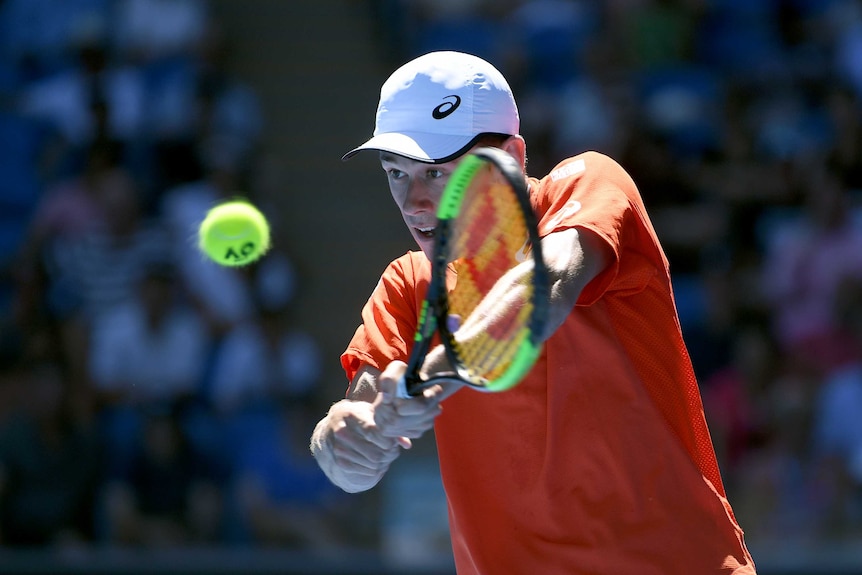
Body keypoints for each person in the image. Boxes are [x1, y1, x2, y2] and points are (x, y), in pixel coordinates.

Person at [309, 51, 756, 574]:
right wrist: (344, 441)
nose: (414, 201)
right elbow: (359, 424)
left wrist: (430, 378)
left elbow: (545, 290)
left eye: (437, 172)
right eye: (397, 173)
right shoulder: (407, 284)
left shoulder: (590, 182)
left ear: (513, 157)